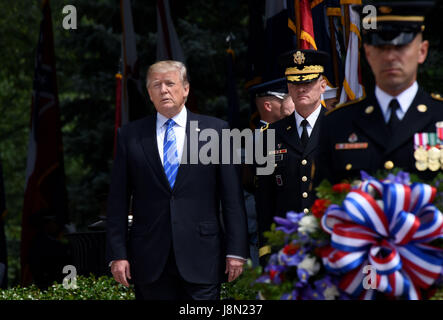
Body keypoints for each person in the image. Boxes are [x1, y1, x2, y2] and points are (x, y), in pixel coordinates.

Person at [106, 60, 249, 300]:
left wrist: (236, 251)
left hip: (203, 255)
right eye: (156, 85)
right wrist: (117, 254)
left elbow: (232, 197)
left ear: (186, 89)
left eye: (170, 83)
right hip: (150, 259)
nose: (163, 90)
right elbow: (118, 201)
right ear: (149, 94)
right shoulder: (130, 136)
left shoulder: (216, 131)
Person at [316, 2, 443, 185]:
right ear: (368, 54)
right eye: (381, 48)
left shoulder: (439, 115)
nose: (390, 57)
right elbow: (321, 203)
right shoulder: (337, 124)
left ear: (422, 51)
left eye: (401, 47)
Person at [255, 49, 329, 260]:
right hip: (286, 248)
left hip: (329, 243)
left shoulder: (337, 127)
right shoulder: (269, 135)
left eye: (309, 82)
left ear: (322, 85)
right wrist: (266, 249)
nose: (301, 88)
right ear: (288, 87)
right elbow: (264, 198)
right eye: (295, 83)